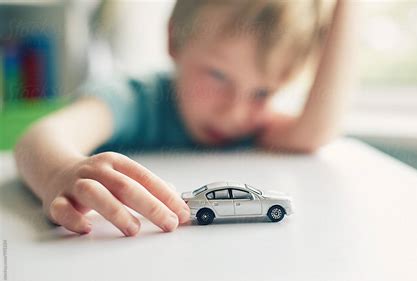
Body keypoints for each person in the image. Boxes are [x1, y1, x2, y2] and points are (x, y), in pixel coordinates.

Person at [14, 0, 357, 237]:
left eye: (262, 93)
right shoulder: (137, 99)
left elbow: (315, 131)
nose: (234, 112)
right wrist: (61, 172)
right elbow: (39, 138)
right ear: (174, 39)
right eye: (219, 76)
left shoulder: (252, 124)